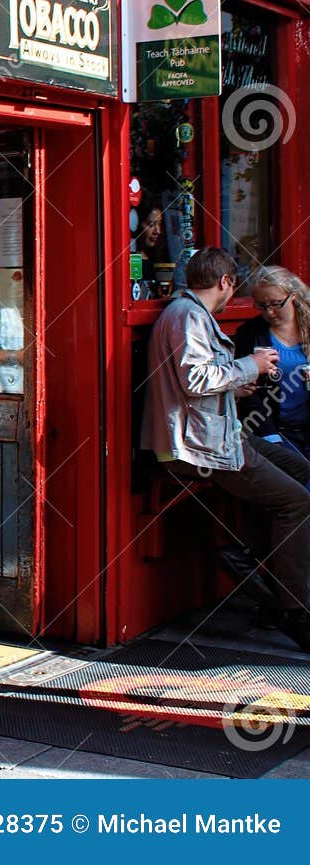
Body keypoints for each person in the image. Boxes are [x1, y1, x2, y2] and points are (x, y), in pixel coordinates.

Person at [140, 246, 310, 649]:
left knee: (301, 474)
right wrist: (251, 366)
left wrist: (237, 387)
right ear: (226, 282)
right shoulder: (188, 317)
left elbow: (196, 383)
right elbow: (195, 380)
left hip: (218, 434)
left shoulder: (190, 315)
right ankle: (293, 608)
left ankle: (259, 563)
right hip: (201, 446)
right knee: (296, 502)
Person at [236, 265, 310, 459]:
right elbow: (248, 392)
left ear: (293, 296)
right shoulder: (250, 333)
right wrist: (269, 436)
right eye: (261, 306)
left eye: (276, 304)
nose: (269, 312)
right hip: (276, 430)